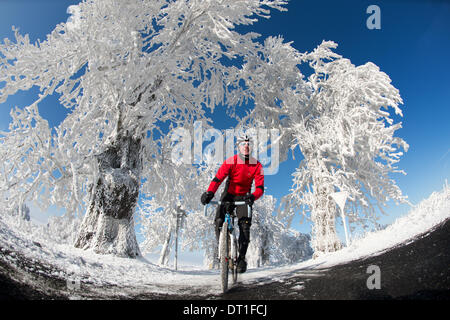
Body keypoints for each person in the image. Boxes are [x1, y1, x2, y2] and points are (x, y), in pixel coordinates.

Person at [200, 134, 264, 273]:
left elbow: (260, 188)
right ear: (238, 147)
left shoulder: (257, 165)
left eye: (249, 144)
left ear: (251, 147)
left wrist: (253, 197)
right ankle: (223, 249)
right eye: (243, 143)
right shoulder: (231, 161)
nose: (246, 146)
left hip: (244, 198)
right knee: (218, 221)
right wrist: (209, 193)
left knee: (244, 226)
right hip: (228, 195)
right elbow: (218, 179)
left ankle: (241, 258)